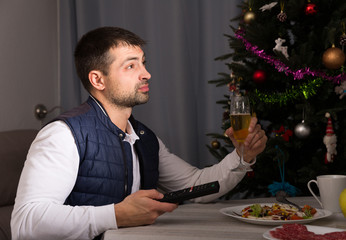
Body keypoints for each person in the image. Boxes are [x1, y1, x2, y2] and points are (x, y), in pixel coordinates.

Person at [11, 26, 267, 240]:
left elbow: (198, 185)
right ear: (98, 80)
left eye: (143, 63)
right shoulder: (62, 135)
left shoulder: (144, 138)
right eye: (131, 66)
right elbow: (25, 223)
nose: (147, 74)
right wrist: (117, 215)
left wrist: (242, 157)